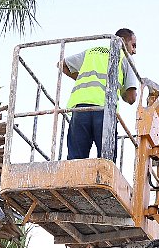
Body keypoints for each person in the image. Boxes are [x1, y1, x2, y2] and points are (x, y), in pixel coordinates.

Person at [59, 28, 140, 160]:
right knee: (106, 162)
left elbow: (63, 65)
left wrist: (81, 78)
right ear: (123, 41)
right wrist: (119, 90)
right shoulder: (124, 56)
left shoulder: (92, 52)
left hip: (80, 109)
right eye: (133, 45)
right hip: (105, 111)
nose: (134, 51)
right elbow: (131, 97)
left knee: (75, 161)